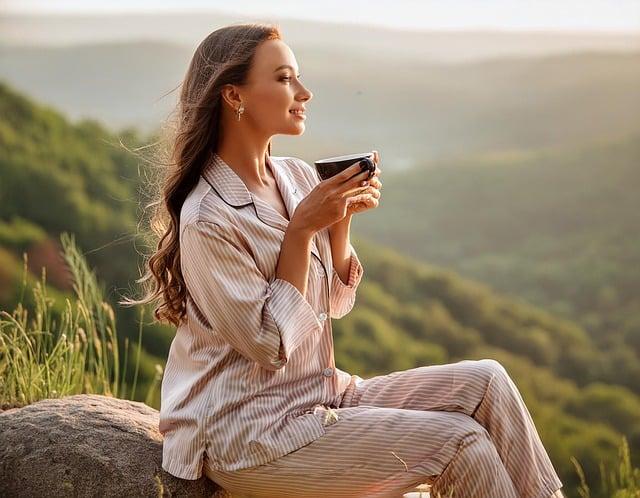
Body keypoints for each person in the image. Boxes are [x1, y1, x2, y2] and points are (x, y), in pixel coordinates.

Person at [123, 23, 565, 498]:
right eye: (285, 78)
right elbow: (270, 345)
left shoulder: (293, 177)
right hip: (248, 433)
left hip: (321, 394)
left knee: (487, 382)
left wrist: (339, 222)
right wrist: (301, 231)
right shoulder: (207, 219)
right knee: (462, 442)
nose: (304, 92)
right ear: (234, 96)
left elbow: (332, 303)